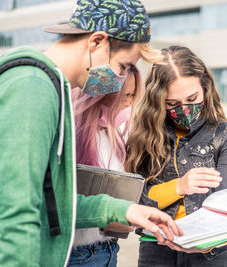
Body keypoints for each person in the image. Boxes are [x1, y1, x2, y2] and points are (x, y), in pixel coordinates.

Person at [0, 0, 182, 266]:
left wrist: (124, 209)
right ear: (97, 42)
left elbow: (52, 205)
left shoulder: (44, 84)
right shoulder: (33, 88)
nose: (120, 77)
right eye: (124, 66)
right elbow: (14, 215)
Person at [125, 45, 227, 267]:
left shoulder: (226, 135)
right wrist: (179, 187)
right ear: (158, 101)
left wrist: (202, 242)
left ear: (205, 88)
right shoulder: (145, 136)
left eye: (192, 98)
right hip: (157, 250)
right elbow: (134, 200)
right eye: (173, 104)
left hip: (210, 255)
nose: (185, 109)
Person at [69, 67, 140, 266]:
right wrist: (110, 215)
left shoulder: (114, 136)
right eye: (125, 96)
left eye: (133, 96)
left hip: (109, 249)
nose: (129, 104)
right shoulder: (70, 137)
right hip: (78, 255)